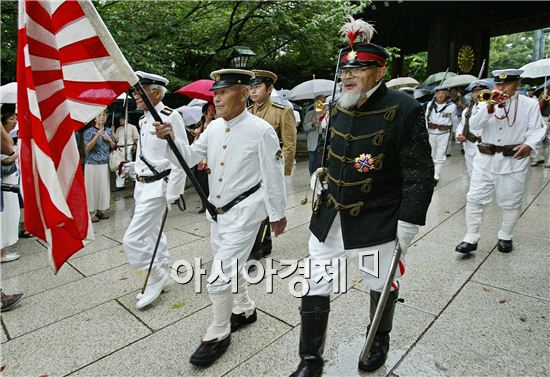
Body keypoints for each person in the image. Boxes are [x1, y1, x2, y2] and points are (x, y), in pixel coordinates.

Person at [289, 17, 434, 377]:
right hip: (329, 216)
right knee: (314, 283)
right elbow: (322, 151)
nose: (348, 76)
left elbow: (419, 171)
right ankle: (309, 360)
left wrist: (409, 220)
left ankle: (378, 339)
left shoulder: (405, 109)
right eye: (345, 69)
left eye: (359, 68)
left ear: (380, 70)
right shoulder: (335, 106)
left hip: (377, 218)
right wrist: (317, 178)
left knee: (379, 283)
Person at [155, 68, 287, 367]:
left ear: (243, 93)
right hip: (217, 213)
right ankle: (244, 308)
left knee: (218, 278)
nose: (217, 97)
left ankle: (219, 331)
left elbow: (274, 176)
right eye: (215, 92)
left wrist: (277, 215)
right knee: (232, 268)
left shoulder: (261, 130)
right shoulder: (213, 127)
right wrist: (171, 139)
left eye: (223, 91)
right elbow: (188, 159)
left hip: (246, 213)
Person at [455, 69, 547, 254]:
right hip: (485, 159)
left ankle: (506, 235)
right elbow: (473, 125)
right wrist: (488, 108)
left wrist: (529, 144)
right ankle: (471, 237)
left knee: (511, 201)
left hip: (513, 159)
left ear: (518, 83)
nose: (501, 88)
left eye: (506, 84)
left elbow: (537, 129)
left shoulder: (529, 104)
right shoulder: (485, 100)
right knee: (474, 198)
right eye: (498, 84)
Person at [121, 71, 187, 309]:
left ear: (156, 92)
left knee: (132, 239)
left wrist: (174, 190)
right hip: (142, 185)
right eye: (136, 91)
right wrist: (132, 166)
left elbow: (182, 156)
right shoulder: (144, 119)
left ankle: (155, 275)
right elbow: (148, 153)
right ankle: (163, 270)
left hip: (159, 187)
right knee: (152, 233)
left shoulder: (171, 116)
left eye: (141, 91)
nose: (135, 95)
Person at [247, 70, 297, 260]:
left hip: (271, 167)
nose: (253, 91)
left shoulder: (282, 110)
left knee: (266, 204)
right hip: (253, 169)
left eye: (257, 87)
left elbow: (289, 143)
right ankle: (264, 242)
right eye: (250, 87)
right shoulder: (248, 112)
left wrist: (282, 173)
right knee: (256, 205)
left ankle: (258, 247)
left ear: (269, 89)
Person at [83, 110, 115, 222]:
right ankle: (92, 212)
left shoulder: (108, 131)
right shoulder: (89, 132)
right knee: (92, 188)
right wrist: (97, 136)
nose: (102, 117)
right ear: (95, 118)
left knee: (103, 188)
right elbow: (87, 148)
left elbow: (114, 147)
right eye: (99, 115)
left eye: (104, 115)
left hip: (104, 164)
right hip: (91, 164)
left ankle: (101, 210)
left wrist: (110, 139)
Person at [455, 79, 492, 177]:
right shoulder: (467, 110)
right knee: (472, 174)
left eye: (480, 92)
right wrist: (459, 135)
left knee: (484, 176)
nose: (477, 95)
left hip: (485, 146)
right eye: (474, 92)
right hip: (470, 145)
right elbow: (462, 125)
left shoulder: (492, 108)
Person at [425, 86, 457, 184]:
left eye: (443, 93)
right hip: (431, 132)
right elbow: (426, 118)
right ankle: (429, 173)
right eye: (438, 93)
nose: (440, 95)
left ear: (446, 95)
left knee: (440, 154)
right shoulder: (430, 104)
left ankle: (436, 176)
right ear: (435, 94)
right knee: (430, 153)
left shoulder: (451, 106)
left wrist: (456, 133)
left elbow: (454, 120)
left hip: (444, 133)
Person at [1, 109, 21, 263]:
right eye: (11, 118)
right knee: (4, 216)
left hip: (11, 181)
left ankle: (3, 249)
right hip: (5, 182)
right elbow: (7, 156)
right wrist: (17, 153)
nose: (14, 121)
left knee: (10, 214)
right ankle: (1, 252)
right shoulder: (5, 137)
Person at [193, 102, 216, 213]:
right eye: (209, 110)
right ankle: (204, 203)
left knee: (208, 182)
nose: (211, 112)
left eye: (213, 110)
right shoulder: (200, 124)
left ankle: (210, 204)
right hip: (200, 158)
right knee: (200, 182)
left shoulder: (216, 124)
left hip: (210, 156)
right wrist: (196, 134)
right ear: (205, 111)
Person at [113, 114, 139, 190]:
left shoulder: (132, 127)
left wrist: (136, 146)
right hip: (120, 148)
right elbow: (116, 139)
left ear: (126, 119)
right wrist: (112, 131)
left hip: (128, 147)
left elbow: (136, 138)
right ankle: (120, 185)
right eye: (120, 119)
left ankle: (135, 180)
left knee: (128, 165)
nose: (120, 121)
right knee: (119, 166)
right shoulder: (118, 129)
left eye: (121, 119)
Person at [303, 95, 326, 175]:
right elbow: (305, 127)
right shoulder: (310, 114)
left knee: (323, 162)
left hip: (324, 140)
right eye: (319, 102)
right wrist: (312, 123)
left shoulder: (328, 113)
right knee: (312, 162)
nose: (321, 104)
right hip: (313, 142)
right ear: (315, 103)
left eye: (323, 102)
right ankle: (312, 178)